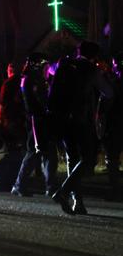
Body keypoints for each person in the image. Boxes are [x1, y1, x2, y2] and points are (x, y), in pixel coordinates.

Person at [49, 41, 113, 214]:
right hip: (81, 119)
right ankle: (63, 191)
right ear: (94, 56)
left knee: (72, 157)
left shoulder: (63, 65)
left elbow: (50, 71)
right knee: (88, 158)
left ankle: (78, 201)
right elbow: (108, 92)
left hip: (62, 119)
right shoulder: (91, 70)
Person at [11, 53, 59, 197]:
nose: (47, 70)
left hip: (41, 120)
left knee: (47, 154)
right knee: (35, 152)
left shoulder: (37, 80)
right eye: (45, 67)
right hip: (37, 121)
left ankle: (49, 186)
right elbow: (39, 103)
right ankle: (20, 185)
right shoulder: (31, 81)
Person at [102, 52, 123, 201]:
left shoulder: (113, 83)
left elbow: (107, 104)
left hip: (115, 124)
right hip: (116, 123)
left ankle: (116, 190)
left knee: (112, 158)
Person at [0, 62, 26, 145]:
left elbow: (3, 101)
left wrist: (0, 114)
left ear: (9, 70)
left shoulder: (7, 83)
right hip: (22, 112)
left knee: (11, 136)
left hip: (10, 114)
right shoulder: (23, 80)